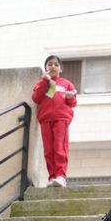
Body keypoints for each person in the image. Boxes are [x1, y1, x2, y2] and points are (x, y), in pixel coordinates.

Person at [31, 55, 77, 188]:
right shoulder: (42, 83)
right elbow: (36, 98)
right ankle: (52, 177)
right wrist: (45, 81)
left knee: (59, 147)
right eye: (50, 64)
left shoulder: (66, 83)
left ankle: (61, 176)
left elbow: (73, 103)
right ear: (46, 68)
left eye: (56, 65)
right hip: (45, 119)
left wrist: (70, 97)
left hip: (61, 119)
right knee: (48, 150)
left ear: (60, 69)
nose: (53, 67)